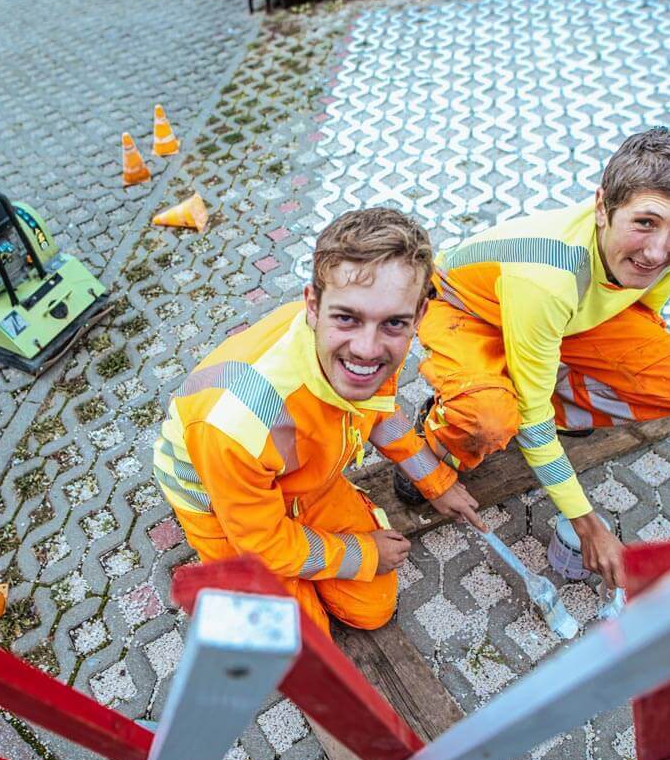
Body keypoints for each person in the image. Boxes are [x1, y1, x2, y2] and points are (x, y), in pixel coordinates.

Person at [400, 126, 670, 589]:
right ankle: (439, 434)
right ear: (602, 207)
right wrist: (587, 522)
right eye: (644, 223)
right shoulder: (548, 275)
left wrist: (631, 364)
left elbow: (646, 311)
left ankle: (524, 389)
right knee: (490, 418)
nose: (658, 252)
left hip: (561, 319)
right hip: (470, 309)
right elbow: (534, 420)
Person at [153, 208, 453, 636]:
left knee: (372, 610)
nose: (367, 349)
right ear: (312, 304)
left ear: (417, 315)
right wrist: (364, 553)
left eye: (393, 323)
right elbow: (264, 546)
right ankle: (223, 577)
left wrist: (437, 482)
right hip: (219, 502)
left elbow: (380, 412)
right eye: (346, 318)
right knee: (305, 637)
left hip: (302, 479)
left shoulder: (383, 340)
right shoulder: (234, 424)